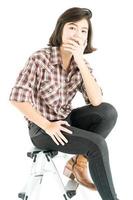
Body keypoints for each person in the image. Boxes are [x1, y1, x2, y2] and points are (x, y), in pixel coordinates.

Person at [9, 7, 119, 200]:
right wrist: (47, 125)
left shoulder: (80, 64)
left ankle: (77, 164)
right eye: (72, 27)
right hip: (42, 128)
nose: (77, 34)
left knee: (108, 112)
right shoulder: (40, 58)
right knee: (96, 144)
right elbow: (17, 98)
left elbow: (96, 101)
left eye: (83, 30)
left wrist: (80, 60)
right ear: (60, 30)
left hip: (65, 121)